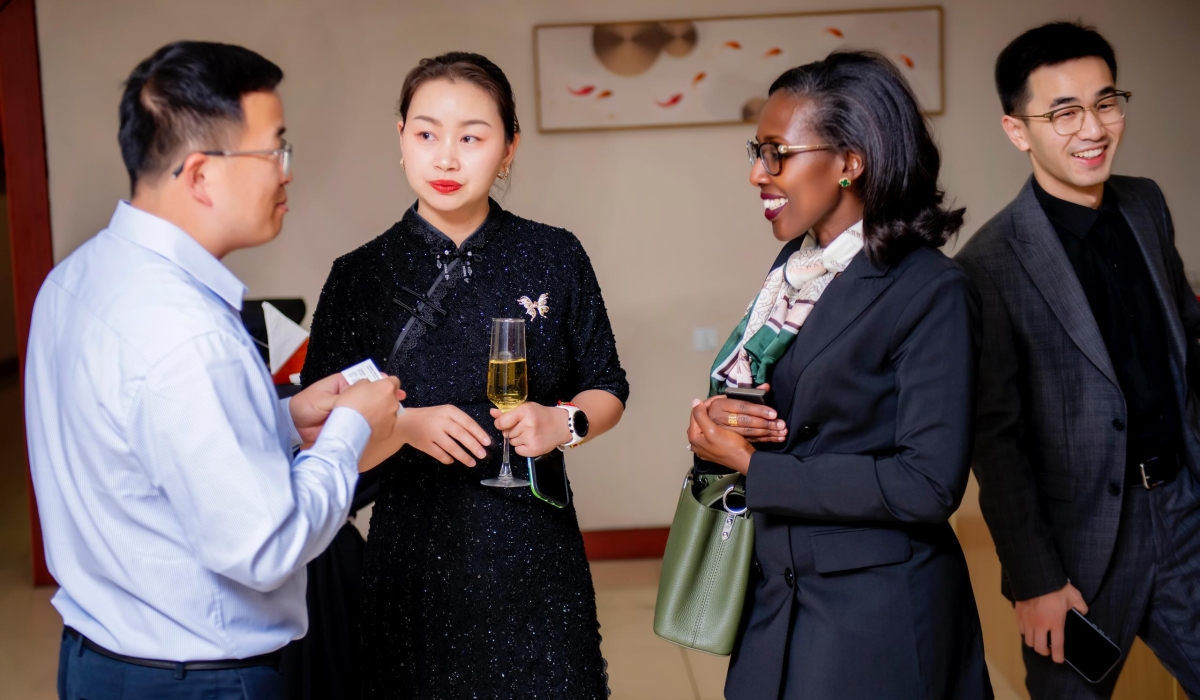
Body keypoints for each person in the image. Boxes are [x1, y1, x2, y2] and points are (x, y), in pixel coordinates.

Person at [24, 41, 403, 700]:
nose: (287, 172)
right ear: (200, 174)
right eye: (274, 151)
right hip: (198, 680)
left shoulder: (76, 279)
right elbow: (266, 548)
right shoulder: (190, 333)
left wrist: (282, 420)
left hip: (95, 661)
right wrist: (349, 429)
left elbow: (140, 450)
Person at [300, 52, 628, 698]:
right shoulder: (359, 277)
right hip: (408, 561)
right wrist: (404, 425)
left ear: (509, 149)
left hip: (535, 556)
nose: (446, 159)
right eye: (426, 134)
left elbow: (607, 386)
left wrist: (560, 422)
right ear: (400, 140)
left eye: (472, 138)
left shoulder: (553, 256)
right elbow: (319, 433)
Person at [686, 51, 992, 699]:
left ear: (851, 162)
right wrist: (720, 421)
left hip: (874, 617)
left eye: (777, 153)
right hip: (778, 600)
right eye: (756, 150)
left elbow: (928, 484)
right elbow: (793, 405)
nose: (756, 174)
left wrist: (753, 466)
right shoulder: (794, 271)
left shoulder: (932, 290)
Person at [957, 21, 1200, 698]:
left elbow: (1187, 340)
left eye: (1104, 103)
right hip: (1081, 548)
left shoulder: (1146, 203)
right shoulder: (989, 263)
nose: (1091, 128)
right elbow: (995, 440)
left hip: (1181, 508)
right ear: (1017, 130)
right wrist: (1034, 579)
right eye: (1063, 112)